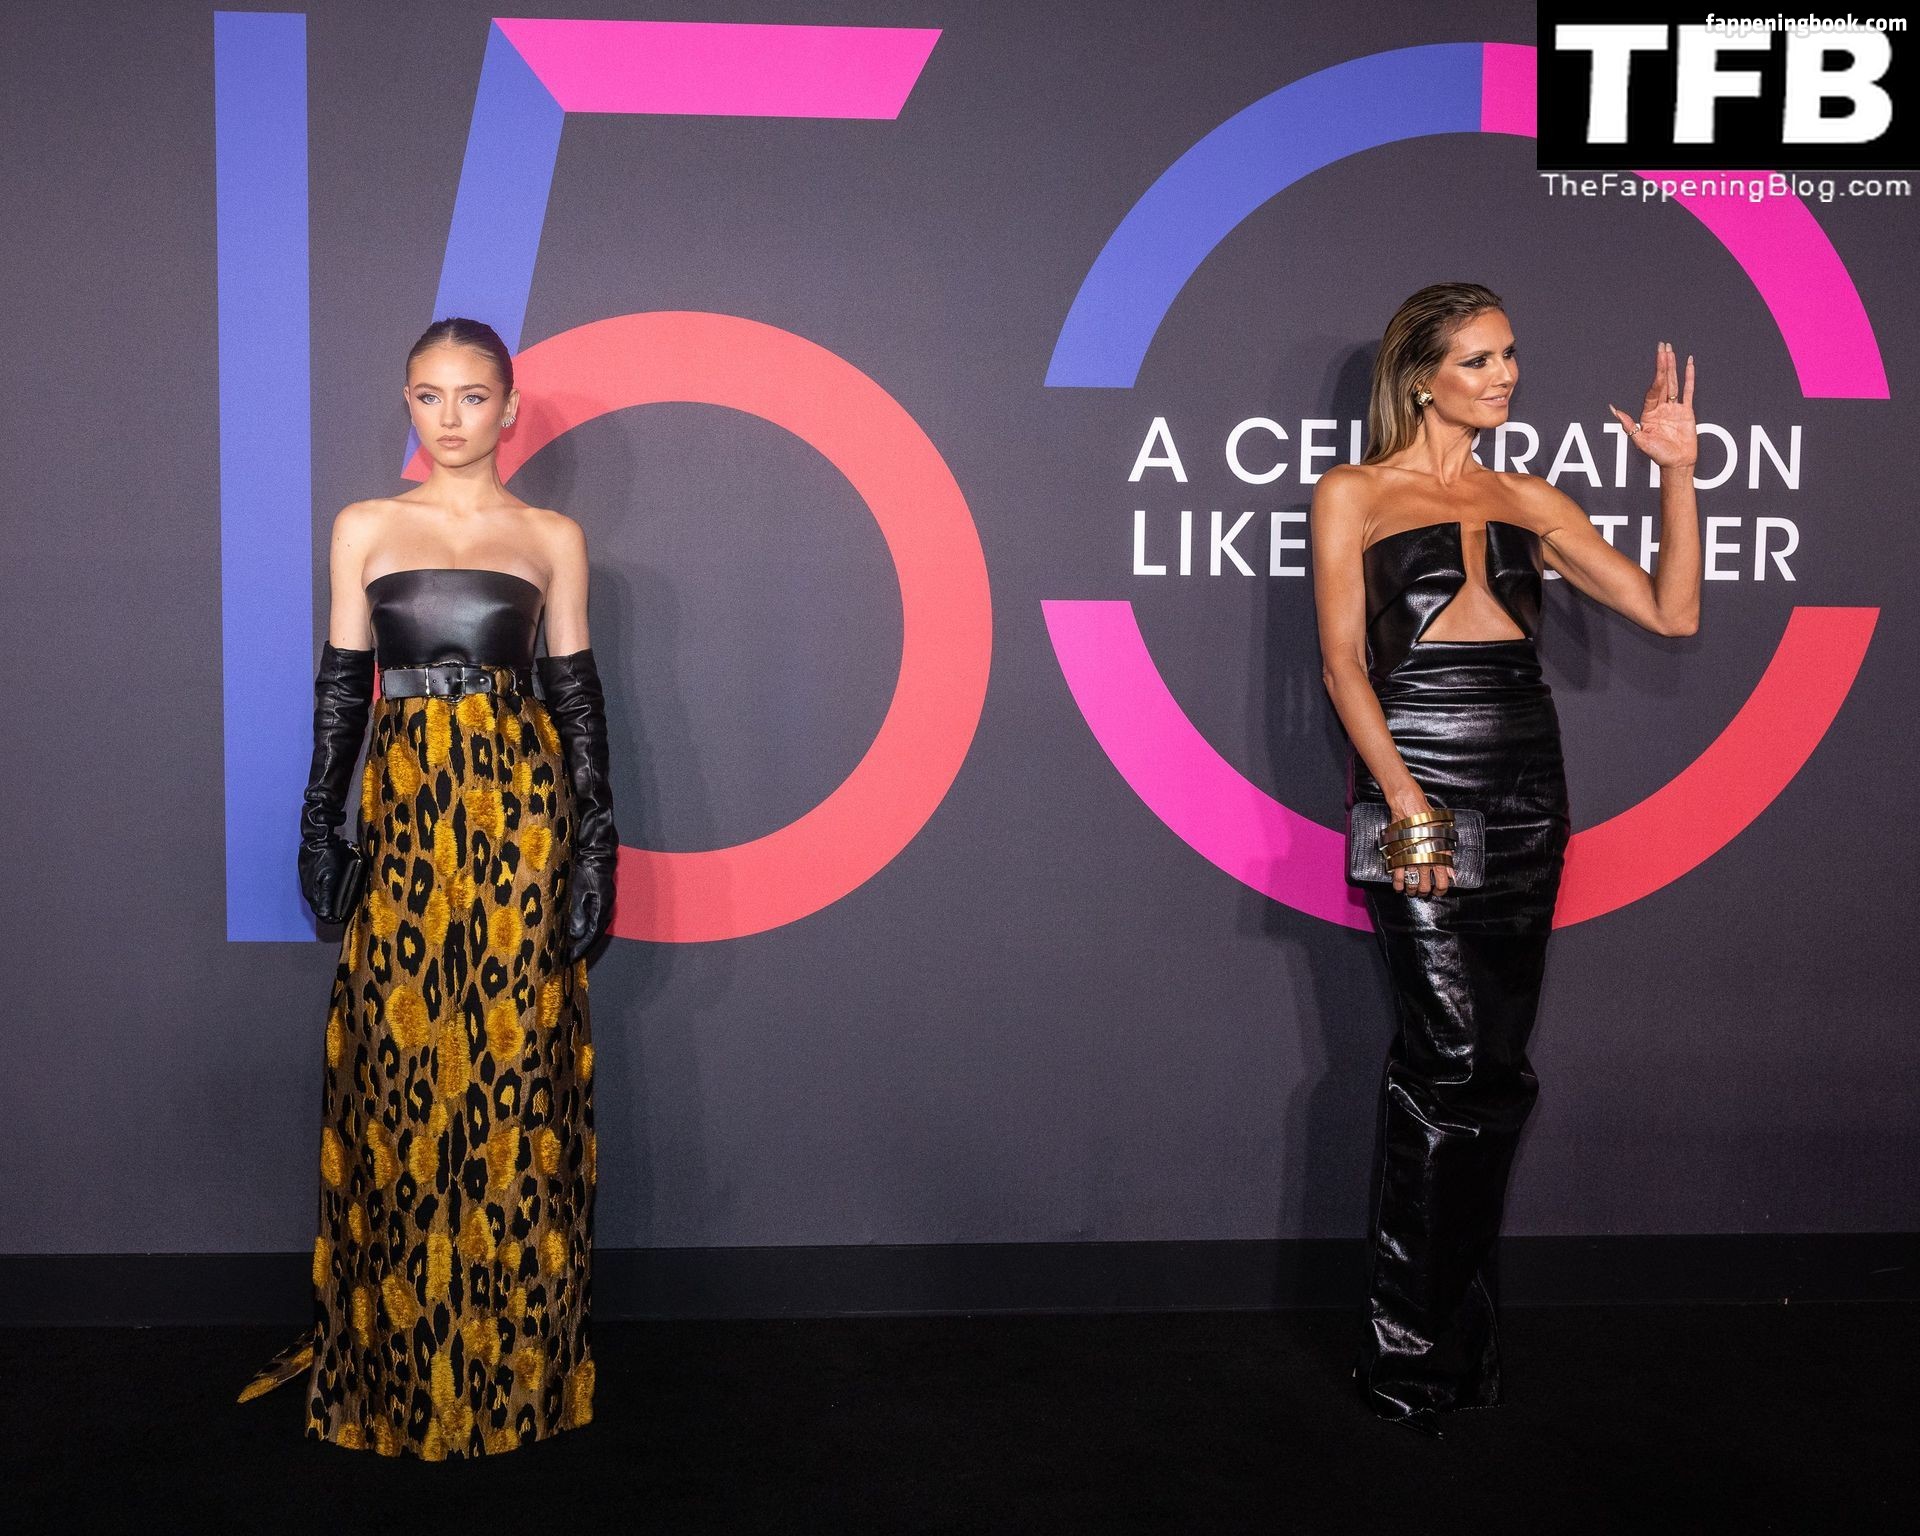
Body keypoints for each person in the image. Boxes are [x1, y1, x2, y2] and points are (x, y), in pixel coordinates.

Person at [1310, 283, 1700, 1436]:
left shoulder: (1531, 498)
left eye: (1510, 354)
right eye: (1478, 359)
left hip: (1528, 787)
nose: (1505, 375)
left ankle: (1457, 1342)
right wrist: (1405, 804)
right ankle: (1409, 1355)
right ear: (1420, 377)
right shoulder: (1354, 493)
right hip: (1416, 775)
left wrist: (1677, 473)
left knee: (1496, 1071)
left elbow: (1672, 613)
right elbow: (1342, 665)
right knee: (1446, 1061)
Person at [237, 317, 621, 1459]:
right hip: (406, 824)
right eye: (428, 395)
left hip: (519, 828)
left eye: (472, 396)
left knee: (514, 1080)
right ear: (405, 402)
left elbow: (577, 705)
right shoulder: (365, 526)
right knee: (397, 1078)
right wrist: (319, 823)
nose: (450, 418)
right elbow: (341, 692)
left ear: (510, 408)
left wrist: (597, 846)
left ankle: (513, 1368)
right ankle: (398, 1360)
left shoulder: (551, 537)